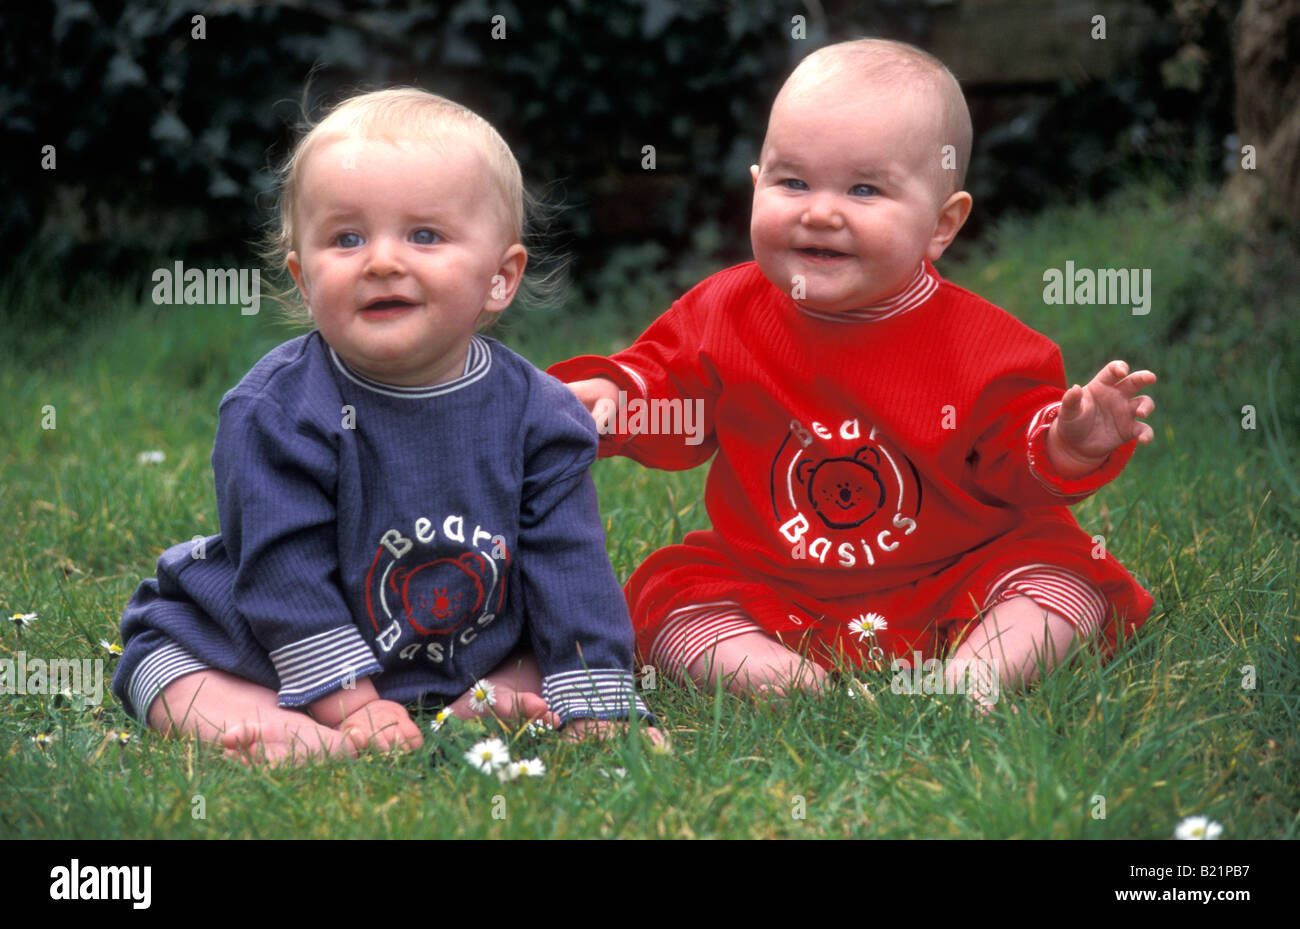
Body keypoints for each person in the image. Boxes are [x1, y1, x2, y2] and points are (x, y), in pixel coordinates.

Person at [551, 39, 1157, 707]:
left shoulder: (985, 343)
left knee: (1061, 577)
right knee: (673, 600)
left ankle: (973, 679)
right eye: (792, 182)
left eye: (864, 188)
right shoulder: (725, 311)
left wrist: (1067, 444)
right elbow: (670, 394)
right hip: (776, 580)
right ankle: (792, 685)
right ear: (756, 187)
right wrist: (615, 399)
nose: (819, 211)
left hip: (960, 572)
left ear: (942, 224)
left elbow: (1014, 455)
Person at [112, 88, 655, 764]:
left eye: (424, 235)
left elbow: (569, 567)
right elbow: (286, 572)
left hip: (462, 636)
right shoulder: (276, 411)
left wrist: (597, 702)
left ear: (500, 277)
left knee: (543, 661)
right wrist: (353, 701)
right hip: (269, 645)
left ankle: (470, 702)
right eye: (346, 238)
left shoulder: (539, 414)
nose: (382, 260)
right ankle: (304, 736)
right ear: (304, 278)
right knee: (163, 667)